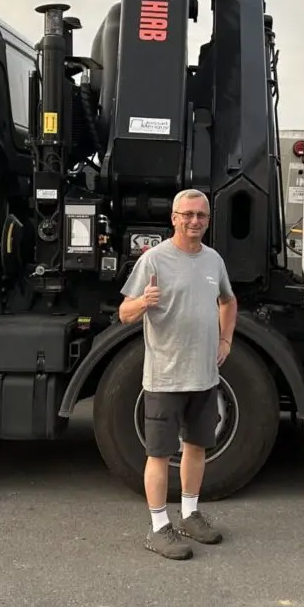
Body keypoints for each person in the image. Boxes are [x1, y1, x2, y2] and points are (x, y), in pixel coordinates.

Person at [119, 188, 238, 559]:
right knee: (158, 454)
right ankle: (158, 528)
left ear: (207, 220)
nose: (194, 221)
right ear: (173, 218)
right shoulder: (154, 260)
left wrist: (225, 341)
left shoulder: (213, 260)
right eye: (186, 214)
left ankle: (189, 515)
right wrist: (142, 302)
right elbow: (124, 313)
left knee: (197, 447)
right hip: (165, 377)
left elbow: (228, 301)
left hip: (204, 376)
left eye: (200, 215)